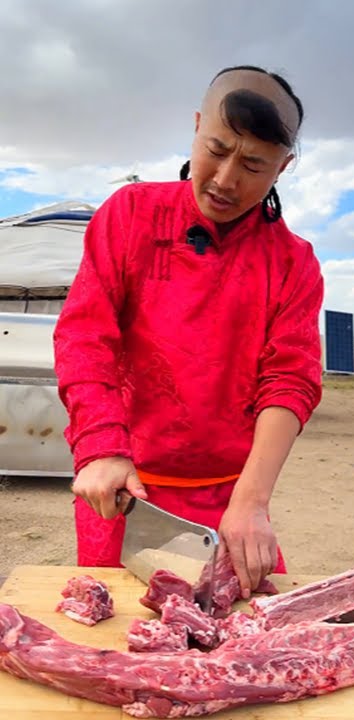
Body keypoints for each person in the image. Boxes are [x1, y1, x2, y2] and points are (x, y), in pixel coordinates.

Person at [55, 65, 321, 598]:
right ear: (197, 127)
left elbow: (290, 380)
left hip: (232, 498)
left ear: (283, 167)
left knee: (254, 630)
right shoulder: (130, 214)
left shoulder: (294, 261)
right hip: (126, 490)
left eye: (253, 165)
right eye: (216, 150)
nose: (225, 179)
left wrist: (252, 501)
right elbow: (85, 335)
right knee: (122, 631)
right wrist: (100, 445)